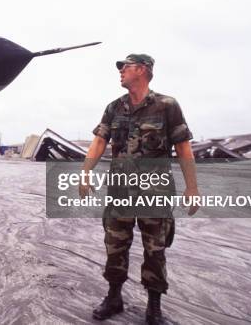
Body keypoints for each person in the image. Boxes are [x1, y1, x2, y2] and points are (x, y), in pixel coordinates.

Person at [79, 54, 200, 324]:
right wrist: (85, 172)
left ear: (142, 70)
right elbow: (99, 141)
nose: (120, 71)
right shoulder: (114, 108)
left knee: (155, 249)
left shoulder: (167, 106)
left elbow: (183, 147)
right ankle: (114, 297)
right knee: (115, 245)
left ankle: (154, 306)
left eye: (125, 66)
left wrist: (192, 187)